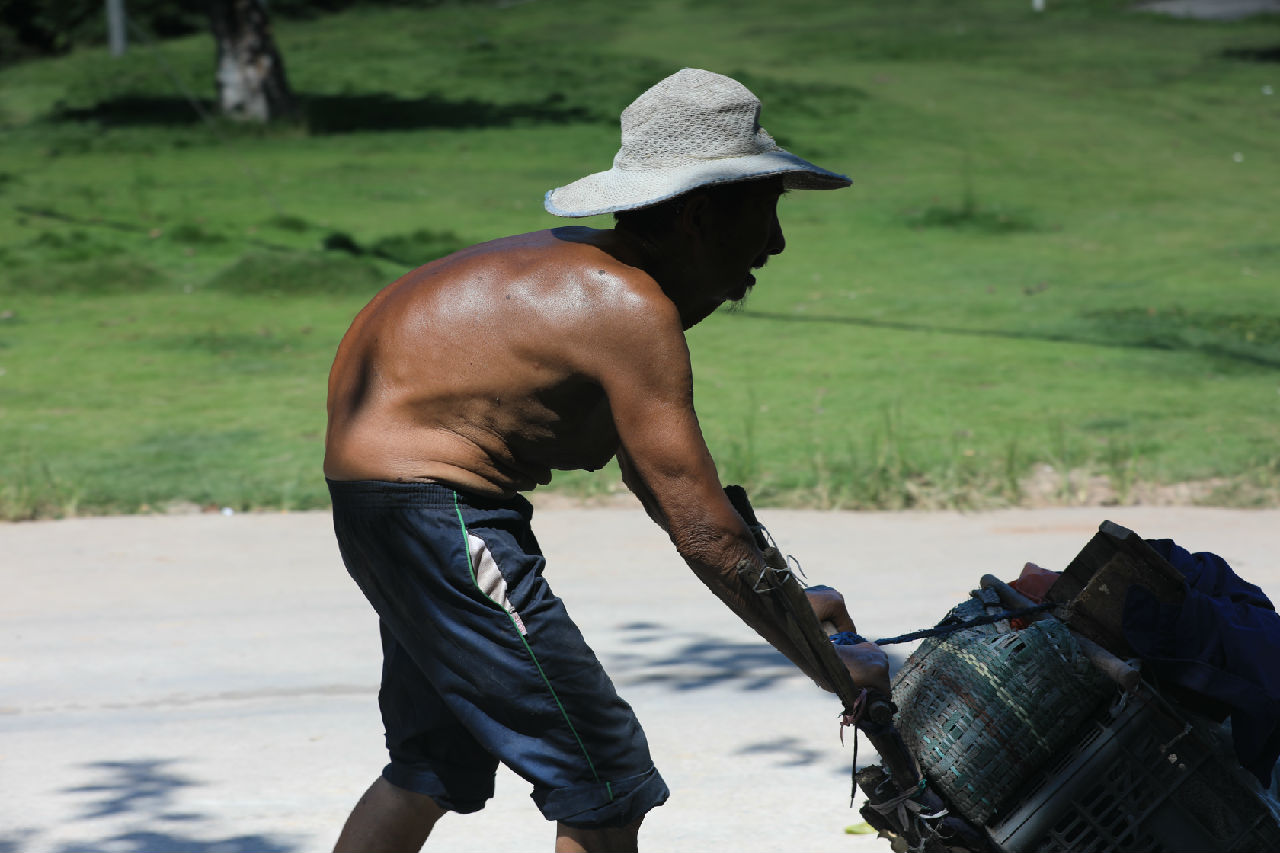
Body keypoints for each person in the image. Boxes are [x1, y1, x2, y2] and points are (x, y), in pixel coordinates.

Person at [323, 68, 890, 853]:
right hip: (436, 513)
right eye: (766, 211)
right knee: (605, 775)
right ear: (697, 215)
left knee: (433, 762)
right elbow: (705, 532)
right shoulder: (626, 306)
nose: (777, 241)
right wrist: (822, 656)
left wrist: (793, 606)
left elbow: (669, 495)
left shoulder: (589, 282)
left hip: (394, 506)